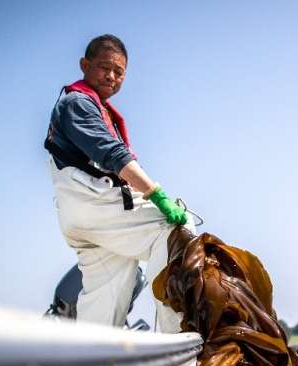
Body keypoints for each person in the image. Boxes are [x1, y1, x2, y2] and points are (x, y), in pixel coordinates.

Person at [45, 34, 193, 332]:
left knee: (107, 294)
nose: (111, 76)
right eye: (104, 67)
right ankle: (174, 335)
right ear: (84, 65)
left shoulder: (94, 108)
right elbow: (113, 155)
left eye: (119, 72)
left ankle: (89, 364)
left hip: (84, 218)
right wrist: (157, 195)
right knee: (174, 230)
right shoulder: (78, 104)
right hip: (96, 205)